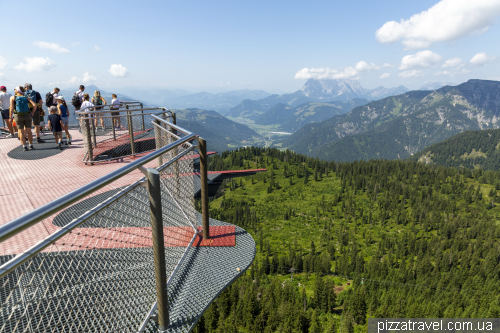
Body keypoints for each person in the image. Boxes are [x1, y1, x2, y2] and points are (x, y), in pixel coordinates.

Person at [10, 86, 36, 151]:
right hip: (27, 115)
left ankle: (24, 146)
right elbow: (34, 105)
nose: (14, 90)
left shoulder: (13, 97)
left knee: (21, 132)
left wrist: (10, 117)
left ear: (17, 90)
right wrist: (32, 112)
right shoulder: (26, 97)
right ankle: (31, 145)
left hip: (18, 115)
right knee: (29, 131)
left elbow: (12, 108)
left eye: (15, 89)